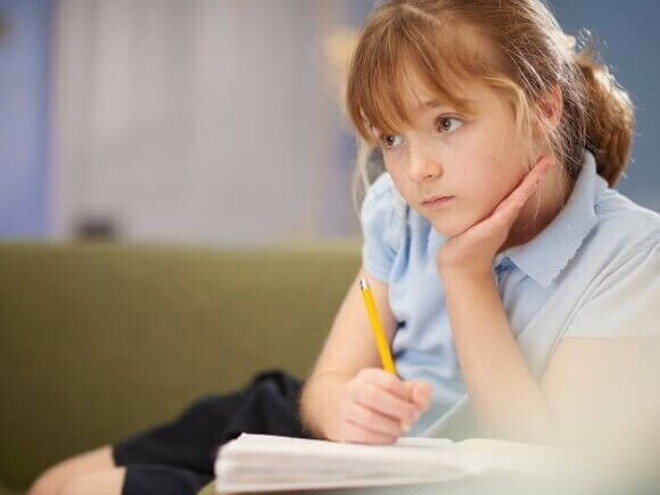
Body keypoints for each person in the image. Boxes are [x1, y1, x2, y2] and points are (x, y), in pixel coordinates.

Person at [29, 1, 660, 495]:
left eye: (446, 124)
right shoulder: (399, 214)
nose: (416, 171)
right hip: (315, 438)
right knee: (55, 483)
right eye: (392, 138)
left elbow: (539, 459)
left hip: (403, 473)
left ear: (545, 108)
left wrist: (465, 274)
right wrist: (342, 408)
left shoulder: (629, 254)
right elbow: (327, 381)